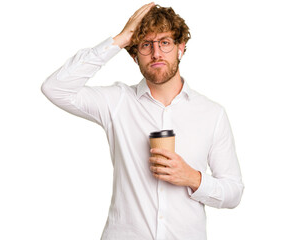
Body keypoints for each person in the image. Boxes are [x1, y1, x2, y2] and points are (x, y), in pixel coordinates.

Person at [41, 3, 244, 240]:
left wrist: (192, 178)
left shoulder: (212, 113)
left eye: (165, 42)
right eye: (146, 45)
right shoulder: (117, 102)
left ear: (181, 48)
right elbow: (55, 88)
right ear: (134, 55)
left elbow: (233, 193)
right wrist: (119, 39)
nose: (156, 53)